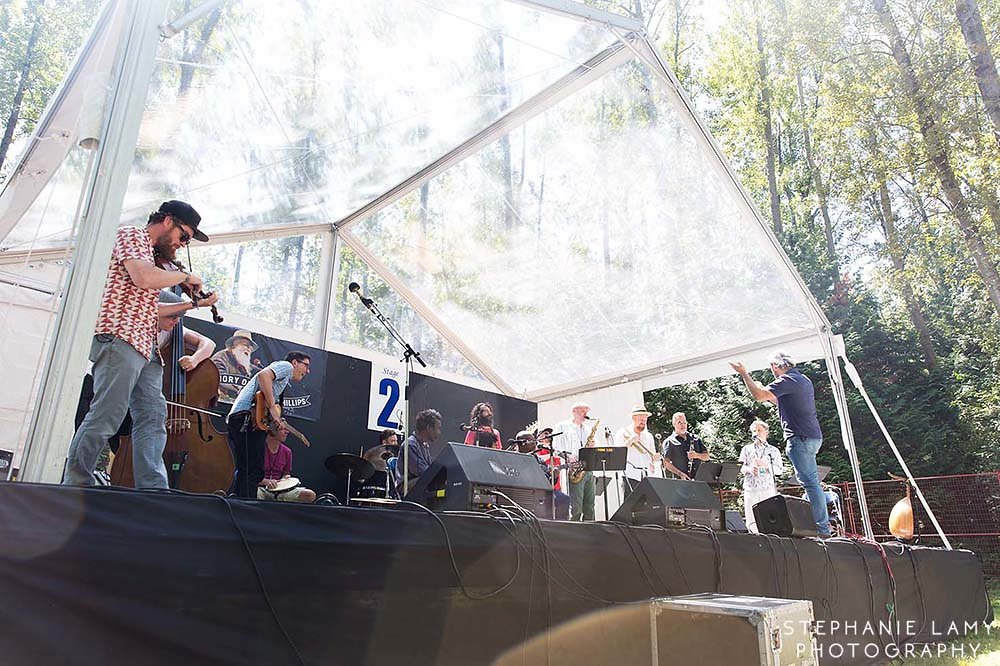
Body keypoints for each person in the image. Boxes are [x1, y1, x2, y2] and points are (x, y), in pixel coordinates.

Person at [65, 200, 216, 488]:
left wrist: (194, 303)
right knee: (107, 414)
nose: (183, 244)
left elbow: (153, 310)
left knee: (153, 417)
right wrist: (184, 276)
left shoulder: (150, 255)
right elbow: (143, 277)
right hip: (120, 337)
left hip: (145, 346)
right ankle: (76, 484)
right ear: (168, 221)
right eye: (183, 236)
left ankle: (153, 489)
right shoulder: (133, 236)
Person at [729, 351, 831, 537]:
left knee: (810, 484)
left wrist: (744, 373)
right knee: (810, 482)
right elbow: (780, 401)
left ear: (775, 366)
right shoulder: (804, 380)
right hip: (813, 437)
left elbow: (759, 396)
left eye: (772, 368)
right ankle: (814, 524)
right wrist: (767, 393)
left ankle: (821, 528)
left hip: (799, 438)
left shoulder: (786, 381)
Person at [226, 351, 311, 498]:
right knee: (254, 469)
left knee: (246, 468)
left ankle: (237, 504)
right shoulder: (287, 366)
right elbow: (263, 375)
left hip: (243, 419)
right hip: (246, 418)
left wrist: (274, 420)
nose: (308, 371)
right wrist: (272, 407)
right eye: (306, 365)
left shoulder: (282, 382)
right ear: (295, 363)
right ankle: (245, 507)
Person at [615, 405, 675, 496]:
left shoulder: (648, 436)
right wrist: (630, 441)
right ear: (633, 418)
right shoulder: (622, 433)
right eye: (641, 420)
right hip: (629, 475)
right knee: (629, 507)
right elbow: (618, 454)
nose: (643, 422)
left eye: (645, 420)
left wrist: (654, 459)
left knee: (645, 508)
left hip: (645, 477)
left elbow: (652, 457)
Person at [738, 420, 785, 533]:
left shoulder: (773, 450)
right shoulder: (747, 449)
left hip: (767, 488)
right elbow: (740, 467)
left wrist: (766, 466)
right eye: (754, 431)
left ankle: (770, 537)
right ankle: (753, 539)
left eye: (759, 430)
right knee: (751, 517)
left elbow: (779, 471)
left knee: (769, 516)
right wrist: (749, 469)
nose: (756, 433)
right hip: (751, 488)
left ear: (766, 432)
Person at [553, 401, 597, 521]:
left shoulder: (587, 429)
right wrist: (568, 456)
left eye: (586, 412)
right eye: (582, 411)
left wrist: (593, 446)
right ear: (574, 412)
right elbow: (555, 447)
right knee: (576, 506)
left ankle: (590, 529)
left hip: (588, 469)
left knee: (590, 505)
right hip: (574, 469)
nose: (585, 414)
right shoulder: (562, 426)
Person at [257, 423, 315, 503]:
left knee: (310, 495)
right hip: (260, 488)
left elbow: (286, 473)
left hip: (280, 489)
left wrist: (286, 479)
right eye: (283, 429)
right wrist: (265, 481)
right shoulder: (258, 449)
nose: (287, 432)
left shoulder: (287, 452)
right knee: (253, 492)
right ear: (271, 431)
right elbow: (249, 475)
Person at [397, 409, 443, 494]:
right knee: (433, 482)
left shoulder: (424, 445)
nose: (439, 432)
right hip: (406, 485)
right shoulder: (410, 444)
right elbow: (421, 471)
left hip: (417, 481)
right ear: (429, 428)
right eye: (438, 428)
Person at [533, 427, 571, 520]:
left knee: (564, 499)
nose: (547, 436)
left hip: (552, 487)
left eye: (549, 434)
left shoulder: (554, 452)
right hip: (535, 488)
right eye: (544, 434)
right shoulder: (536, 452)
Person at [211, 330, 258, 402]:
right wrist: (241, 389)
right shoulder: (221, 357)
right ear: (233, 345)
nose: (248, 349)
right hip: (217, 400)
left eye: (250, 347)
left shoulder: (245, 363)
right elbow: (217, 378)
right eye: (245, 344)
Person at [663, 412, 708, 480]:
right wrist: (680, 474)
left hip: (698, 480)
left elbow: (707, 457)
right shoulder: (669, 441)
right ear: (674, 424)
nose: (683, 425)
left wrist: (696, 455)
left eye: (684, 422)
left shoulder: (695, 438)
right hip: (680, 481)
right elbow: (666, 463)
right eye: (679, 423)